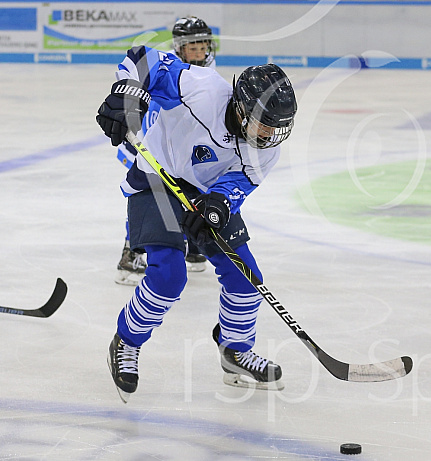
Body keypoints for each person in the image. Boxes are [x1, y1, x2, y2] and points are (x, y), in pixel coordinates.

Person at [96, 45, 297, 402]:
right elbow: (144, 59)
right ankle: (126, 342)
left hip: (205, 192)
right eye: (263, 125)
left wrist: (215, 209)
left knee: (246, 277)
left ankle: (235, 351)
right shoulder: (201, 89)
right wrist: (127, 94)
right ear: (240, 108)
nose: (268, 136)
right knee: (169, 277)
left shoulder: (266, 147)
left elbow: (239, 182)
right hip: (158, 178)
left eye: (276, 129)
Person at [115, 16, 217, 285]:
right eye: (193, 47)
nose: (199, 52)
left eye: (203, 46)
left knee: (198, 188)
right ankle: (132, 250)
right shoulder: (167, 68)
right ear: (180, 47)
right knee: (147, 196)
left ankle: (192, 245)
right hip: (153, 142)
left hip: (187, 149)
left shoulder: (208, 68)